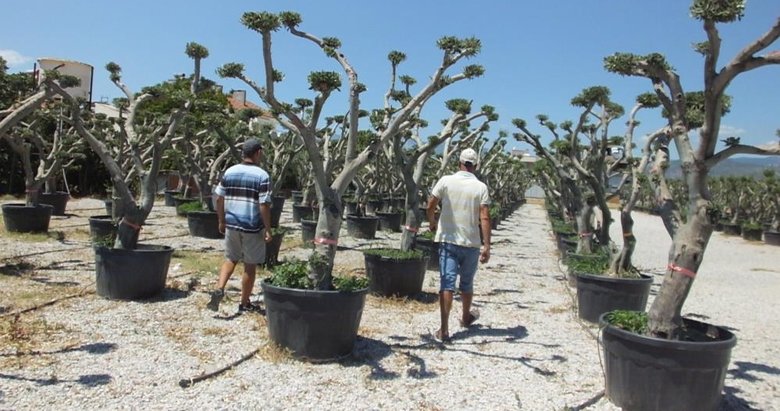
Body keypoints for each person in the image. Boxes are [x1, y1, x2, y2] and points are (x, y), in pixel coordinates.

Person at [426, 148, 491, 343]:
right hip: (471, 243)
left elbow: (431, 203)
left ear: (458, 163)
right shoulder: (481, 187)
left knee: (447, 284)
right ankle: (465, 317)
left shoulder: (446, 181)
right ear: (476, 166)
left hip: (448, 241)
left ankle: (444, 329)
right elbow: (485, 217)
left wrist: (432, 221)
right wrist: (487, 245)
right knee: (466, 283)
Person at [207, 138, 273, 313]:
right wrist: (268, 228)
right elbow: (264, 204)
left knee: (230, 258)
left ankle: (219, 288)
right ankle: (244, 303)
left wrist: (221, 220)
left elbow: (219, 198)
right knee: (250, 265)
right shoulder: (262, 175)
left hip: (232, 224)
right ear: (258, 153)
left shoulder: (230, 172)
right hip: (252, 227)